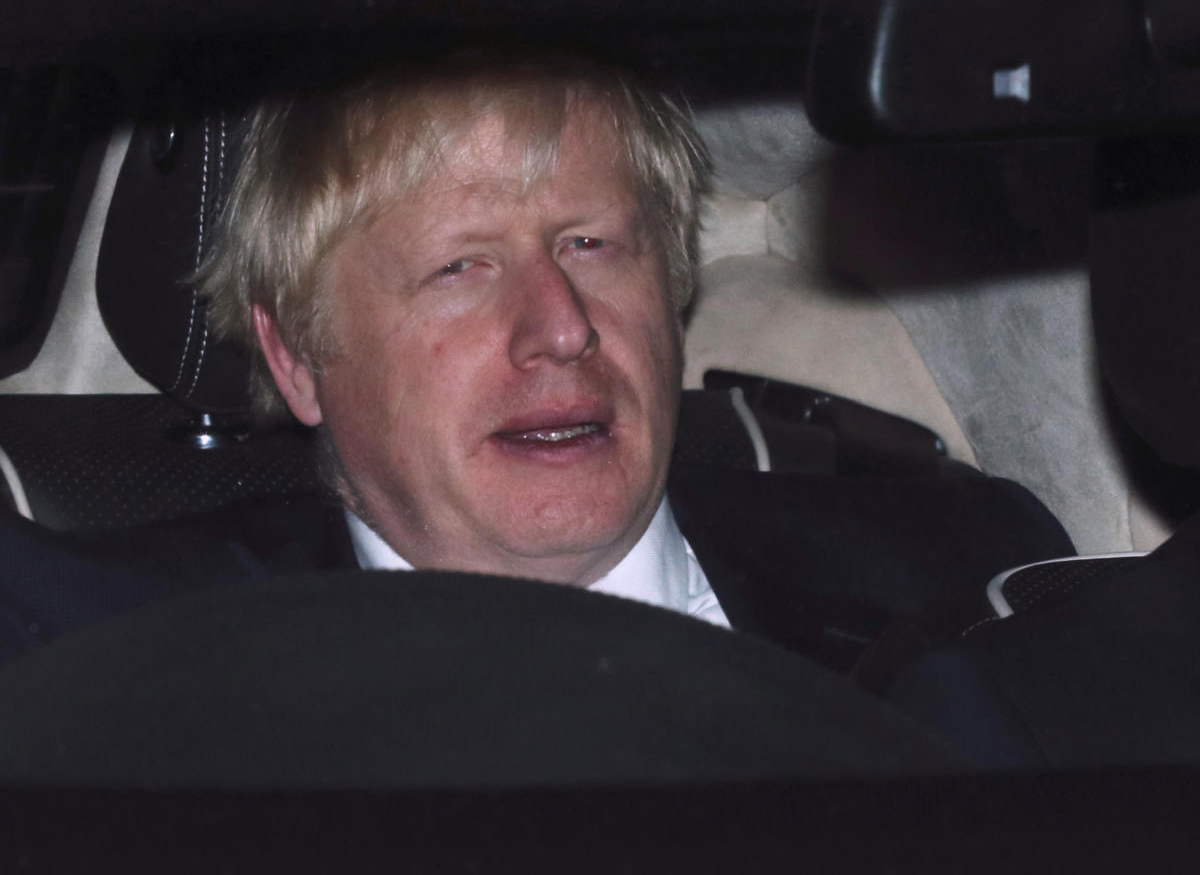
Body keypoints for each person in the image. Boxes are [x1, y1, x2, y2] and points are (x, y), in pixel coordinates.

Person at [0, 46, 1074, 670]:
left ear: (674, 283)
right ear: (296, 357)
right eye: (459, 268)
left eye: (590, 244)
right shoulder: (102, 658)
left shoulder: (977, 582)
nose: (560, 327)